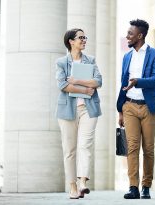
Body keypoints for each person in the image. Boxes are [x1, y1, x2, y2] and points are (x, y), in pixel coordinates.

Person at [117, 19, 155, 199]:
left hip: (149, 108)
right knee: (132, 147)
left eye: (130, 33)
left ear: (140, 35)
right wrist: (120, 110)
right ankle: (133, 187)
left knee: (149, 148)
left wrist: (138, 82)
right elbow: (123, 83)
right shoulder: (127, 56)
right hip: (129, 106)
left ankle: (146, 186)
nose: (127, 36)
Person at [55, 28, 102, 199]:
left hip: (89, 109)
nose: (84, 40)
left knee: (85, 145)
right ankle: (73, 187)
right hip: (67, 110)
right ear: (71, 41)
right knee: (70, 150)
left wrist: (76, 81)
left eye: (85, 37)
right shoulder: (61, 62)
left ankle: (83, 181)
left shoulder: (91, 60)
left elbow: (98, 81)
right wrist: (86, 89)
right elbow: (62, 85)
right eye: (80, 38)